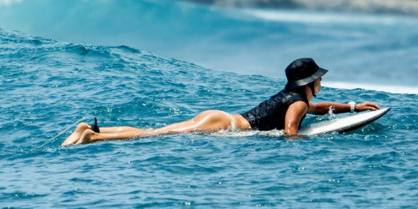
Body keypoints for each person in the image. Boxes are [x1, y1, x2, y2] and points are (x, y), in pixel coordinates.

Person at [61, 57, 380, 146]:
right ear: (310, 82)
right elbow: (290, 130)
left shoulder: (295, 97)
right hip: (223, 125)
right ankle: (93, 137)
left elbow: (318, 108)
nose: (322, 81)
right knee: (154, 135)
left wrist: (353, 107)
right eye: (319, 78)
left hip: (220, 117)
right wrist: (301, 143)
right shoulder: (297, 102)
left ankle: (90, 130)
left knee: (156, 130)